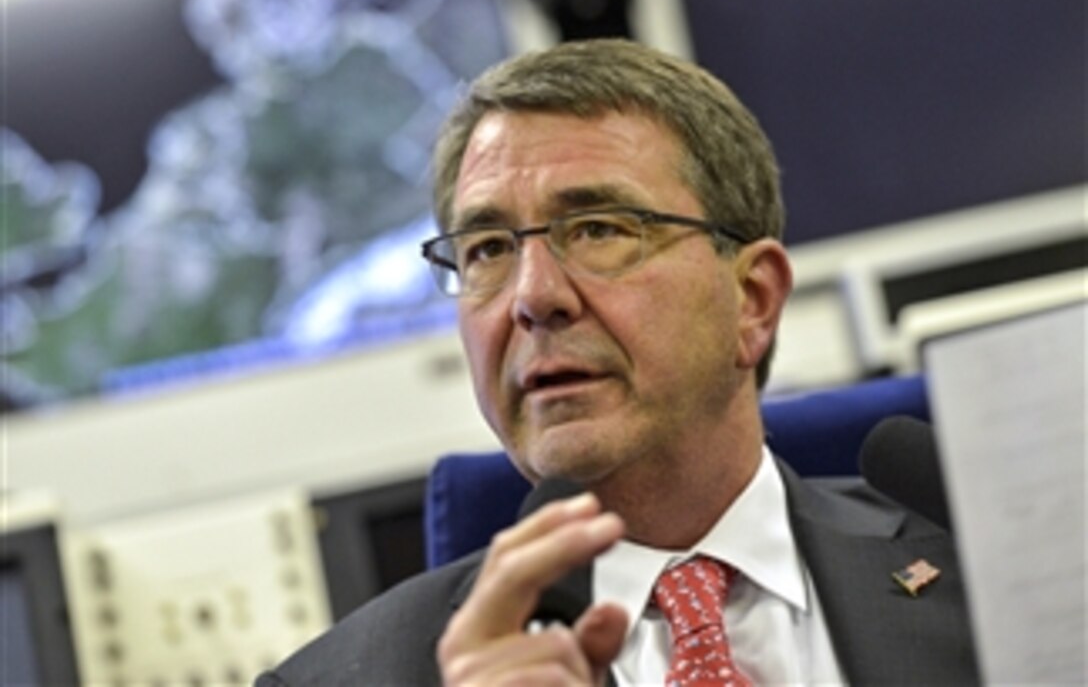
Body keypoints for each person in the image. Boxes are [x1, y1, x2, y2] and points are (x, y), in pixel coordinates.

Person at [257, 38, 979, 686]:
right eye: (487, 250)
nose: (533, 298)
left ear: (753, 299)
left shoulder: (991, 566)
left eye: (599, 229)